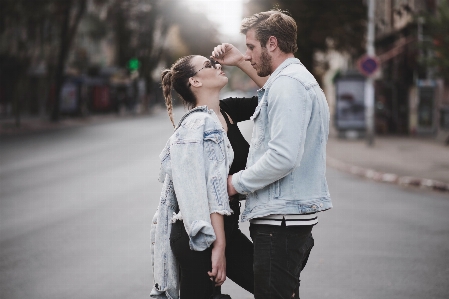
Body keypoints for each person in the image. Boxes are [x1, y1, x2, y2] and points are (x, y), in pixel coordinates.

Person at [215, 10, 333, 299]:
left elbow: (282, 157)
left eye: (251, 47)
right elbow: (270, 84)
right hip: (286, 220)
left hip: (280, 223)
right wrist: (240, 61)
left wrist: (234, 183)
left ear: (271, 43)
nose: (248, 54)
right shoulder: (292, 80)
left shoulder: (288, 86)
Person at [150, 54, 266, 299]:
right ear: (195, 81)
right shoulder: (197, 126)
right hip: (198, 234)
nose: (217, 65)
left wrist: (239, 60)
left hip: (226, 230)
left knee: (275, 287)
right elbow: (210, 191)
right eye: (209, 65)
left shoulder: (228, 111)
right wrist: (218, 246)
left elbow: (274, 95)